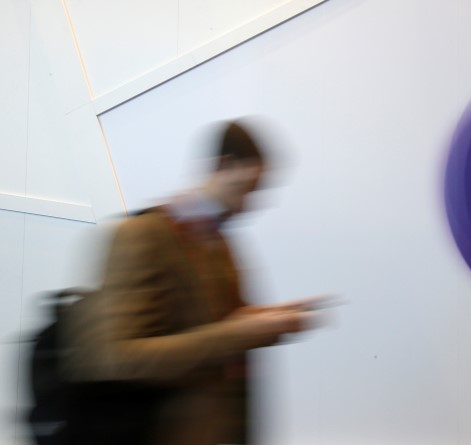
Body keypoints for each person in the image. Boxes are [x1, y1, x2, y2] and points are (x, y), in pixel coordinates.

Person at [63, 121, 324, 445]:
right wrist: (236, 335)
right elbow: (116, 357)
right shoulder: (141, 236)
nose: (250, 204)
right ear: (225, 165)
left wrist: (266, 319)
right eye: (246, 189)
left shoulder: (218, 241)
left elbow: (218, 320)